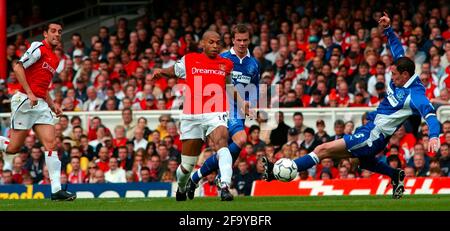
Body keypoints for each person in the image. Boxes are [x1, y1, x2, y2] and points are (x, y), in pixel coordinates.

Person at [262, 13, 441, 200]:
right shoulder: (403, 69)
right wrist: (387, 29)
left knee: (323, 149)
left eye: (394, 74)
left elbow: (431, 115)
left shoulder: (416, 95)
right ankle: (395, 175)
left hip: (374, 135)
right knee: (361, 161)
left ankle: (275, 172)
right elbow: (396, 47)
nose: (391, 76)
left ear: (405, 75)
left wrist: (435, 135)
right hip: (371, 128)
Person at [152, 30, 248, 201]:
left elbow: (229, 87)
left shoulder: (226, 64)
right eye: (211, 42)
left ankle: (224, 186)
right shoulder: (190, 60)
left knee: (222, 142)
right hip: (192, 116)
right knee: (187, 166)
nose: (215, 46)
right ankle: (182, 187)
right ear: (203, 44)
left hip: (216, 112)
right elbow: (172, 70)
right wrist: (160, 71)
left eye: (218, 42)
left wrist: (242, 103)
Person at [0, 22, 76, 201]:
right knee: (13, 149)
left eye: (59, 32)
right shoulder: (38, 47)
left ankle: (56, 190)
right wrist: (29, 92)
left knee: (51, 144)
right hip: (25, 101)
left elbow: (43, 86)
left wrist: (52, 105)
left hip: (41, 104)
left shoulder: (55, 59)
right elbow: (18, 67)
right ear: (45, 33)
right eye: (53, 31)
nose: (57, 34)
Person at [188, 24, 260, 194]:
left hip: (239, 112)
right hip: (221, 109)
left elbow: (255, 88)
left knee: (226, 152)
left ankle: (197, 177)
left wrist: (253, 105)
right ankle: (222, 181)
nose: (242, 43)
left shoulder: (254, 64)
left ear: (249, 40)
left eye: (245, 40)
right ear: (233, 40)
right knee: (241, 140)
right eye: (239, 40)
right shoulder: (222, 58)